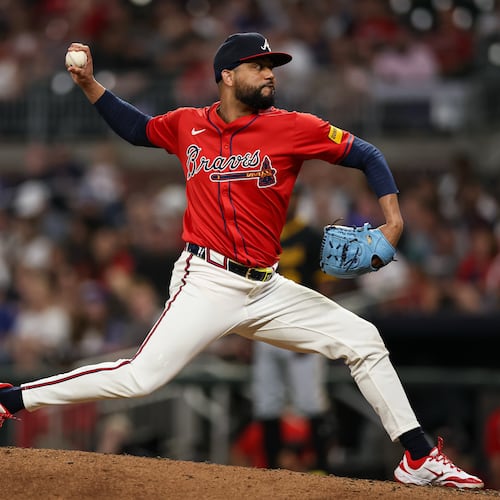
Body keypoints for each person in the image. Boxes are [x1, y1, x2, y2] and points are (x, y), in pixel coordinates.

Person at [0, 32, 483, 489]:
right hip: (206, 280)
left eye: (272, 66)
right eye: (260, 66)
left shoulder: (292, 127)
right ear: (228, 75)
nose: (270, 74)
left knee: (364, 339)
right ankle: (11, 399)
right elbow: (136, 129)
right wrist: (88, 83)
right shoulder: (188, 123)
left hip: (267, 287)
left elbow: (368, 155)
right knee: (139, 379)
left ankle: (417, 456)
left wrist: (393, 220)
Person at [251, 184, 331, 472]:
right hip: (264, 326)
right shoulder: (260, 233)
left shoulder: (312, 236)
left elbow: (323, 287)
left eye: (292, 197)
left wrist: (314, 328)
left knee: (310, 400)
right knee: (266, 400)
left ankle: (321, 467)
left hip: (301, 325)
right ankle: (271, 468)